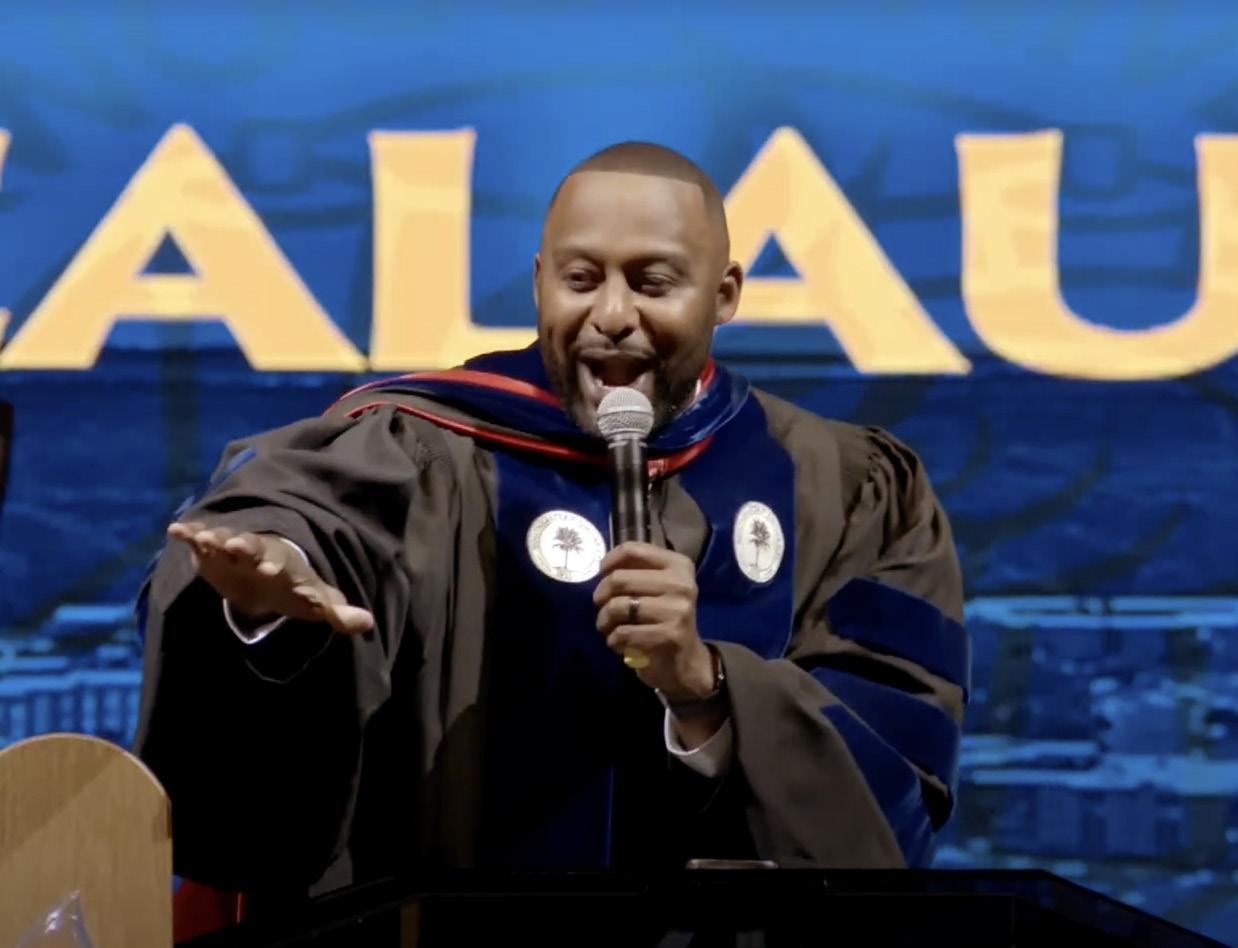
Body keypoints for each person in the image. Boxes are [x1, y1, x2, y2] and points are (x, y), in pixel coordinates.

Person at [134, 142, 967, 908]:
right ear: (539, 283)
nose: (612, 314)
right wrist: (265, 606)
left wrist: (707, 686)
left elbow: (894, 766)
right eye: (581, 279)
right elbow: (302, 519)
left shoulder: (842, 488)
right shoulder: (426, 449)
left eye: (651, 282)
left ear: (725, 295)